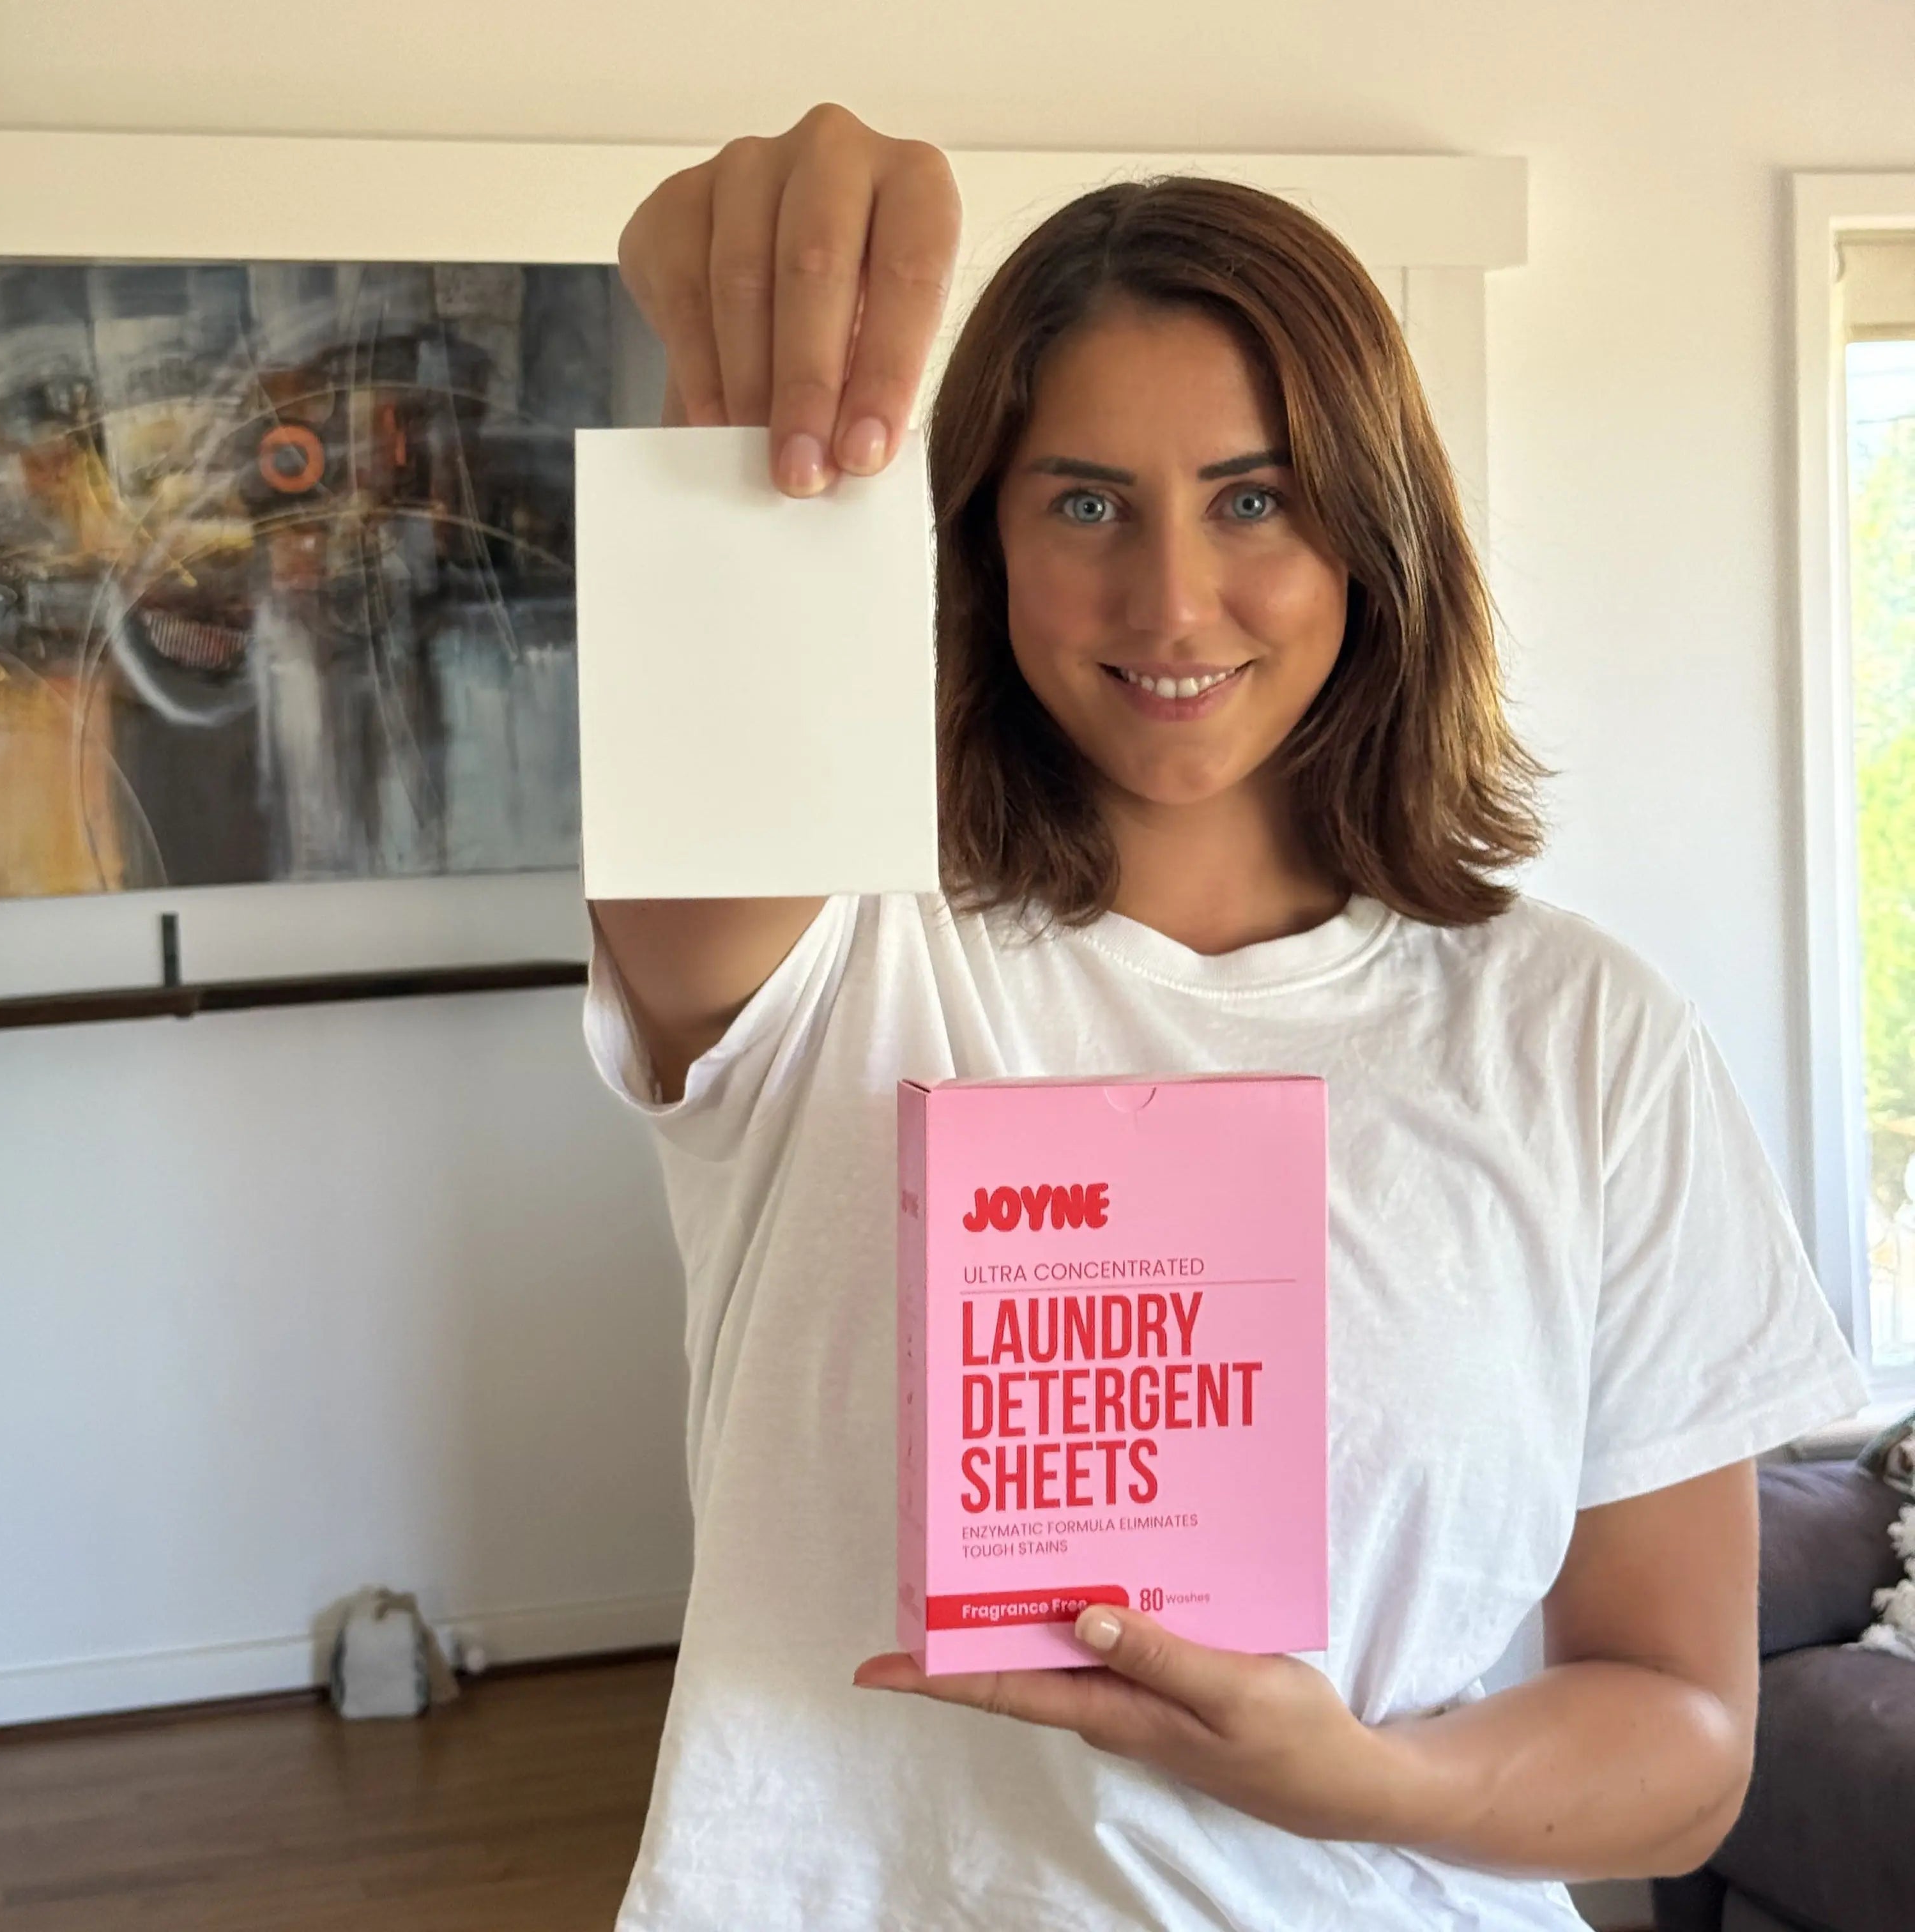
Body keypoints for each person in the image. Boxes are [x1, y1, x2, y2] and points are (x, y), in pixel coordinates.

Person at [584, 103, 1868, 1931]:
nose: (1170, 601)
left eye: (1254, 498)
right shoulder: (834, 959)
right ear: (983, 542)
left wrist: (1356, 1779)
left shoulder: (1582, 1032)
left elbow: (1681, 1748)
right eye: (1084, 502)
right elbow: (703, 765)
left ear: (1372, 534)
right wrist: (738, 419)